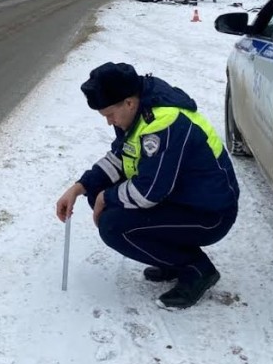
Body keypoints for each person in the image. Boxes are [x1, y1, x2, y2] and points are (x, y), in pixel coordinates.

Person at [55, 62, 239, 309]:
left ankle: (196, 269)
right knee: (99, 196)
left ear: (129, 102)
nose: (109, 122)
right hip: (181, 198)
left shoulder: (164, 123)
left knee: (113, 225)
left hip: (210, 213)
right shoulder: (138, 112)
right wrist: (79, 188)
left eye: (110, 114)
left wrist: (105, 198)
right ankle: (172, 260)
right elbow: (121, 157)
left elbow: (149, 192)